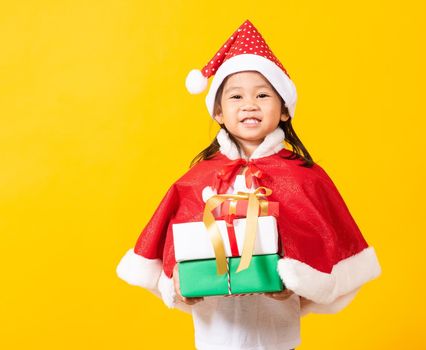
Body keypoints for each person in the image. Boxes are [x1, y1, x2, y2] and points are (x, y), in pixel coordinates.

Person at [116, 19, 381, 350]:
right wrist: (178, 284)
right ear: (219, 112)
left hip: (277, 332)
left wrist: (297, 283)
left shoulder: (305, 177)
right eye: (236, 96)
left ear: (284, 109)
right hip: (215, 332)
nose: (249, 104)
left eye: (263, 95)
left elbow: (328, 251)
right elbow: (171, 249)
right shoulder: (196, 180)